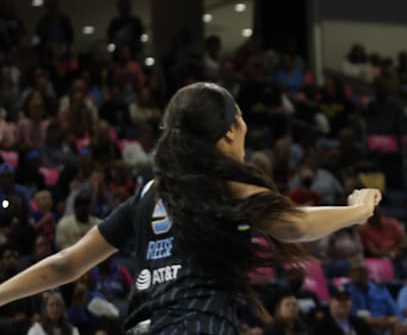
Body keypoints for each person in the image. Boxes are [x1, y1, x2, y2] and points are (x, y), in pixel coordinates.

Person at [0, 82, 381, 334]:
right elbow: (294, 225)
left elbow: (65, 264)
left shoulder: (149, 193)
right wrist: (357, 210)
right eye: (243, 118)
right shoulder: (224, 185)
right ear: (230, 129)